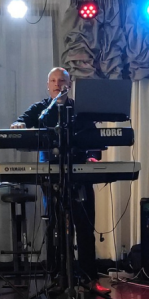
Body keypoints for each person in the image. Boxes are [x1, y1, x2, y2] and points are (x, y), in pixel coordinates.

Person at [10, 67, 99, 287]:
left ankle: (89, 278)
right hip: (51, 177)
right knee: (54, 226)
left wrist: (92, 157)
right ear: (48, 85)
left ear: (69, 84)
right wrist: (20, 124)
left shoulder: (81, 109)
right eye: (53, 80)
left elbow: (95, 139)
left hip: (79, 176)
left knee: (85, 225)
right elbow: (22, 121)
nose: (57, 84)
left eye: (62, 80)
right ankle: (56, 276)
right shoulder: (40, 109)